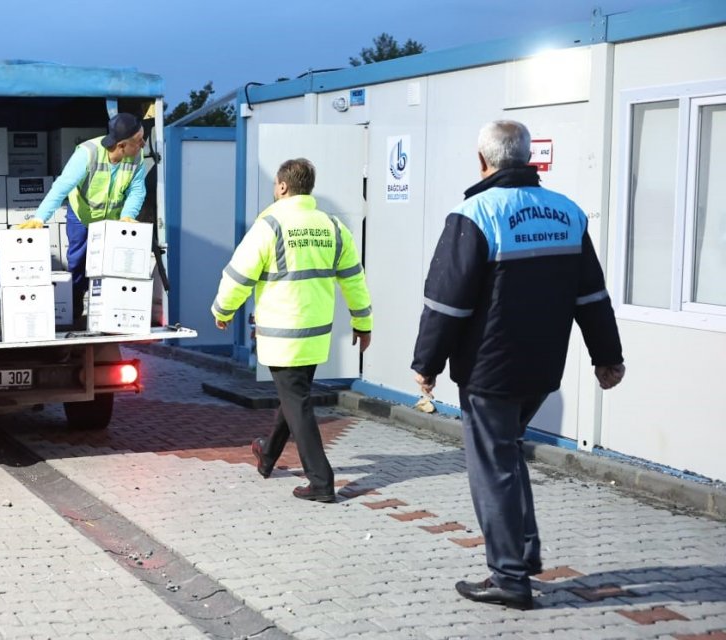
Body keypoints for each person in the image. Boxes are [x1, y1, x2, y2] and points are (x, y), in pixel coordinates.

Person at [411, 120, 625, 610]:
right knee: (507, 455)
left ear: (482, 161)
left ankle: (509, 577)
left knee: (493, 468)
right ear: (527, 158)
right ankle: (524, 556)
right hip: (542, 369)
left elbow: (446, 302)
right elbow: (591, 295)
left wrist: (427, 364)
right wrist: (607, 357)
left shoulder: (476, 213)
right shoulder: (568, 213)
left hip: (490, 371)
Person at [212, 159, 372, 502]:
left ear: (283, 186)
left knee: (297, 401)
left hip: (282, 335)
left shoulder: (270, 225)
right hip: (315, 335)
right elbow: (354, 280)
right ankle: (267, 455)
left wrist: (223, 309)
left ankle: (321, 482)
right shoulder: (331, 226)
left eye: (275, 184)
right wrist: (363, 322)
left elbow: (239, 275)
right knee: (293, 396)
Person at [16, 112, 148, 323]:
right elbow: (62, 187)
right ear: (122, 145)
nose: (143, 144)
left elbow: (137, 190)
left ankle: (107, 315)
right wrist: (40, 218)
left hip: (113, 222)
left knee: (111, 267)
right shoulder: (88, 153)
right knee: (77, 264)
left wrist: (127, 217)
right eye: (139, 140)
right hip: (82, 217)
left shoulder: (137, 158)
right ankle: (75, 311)